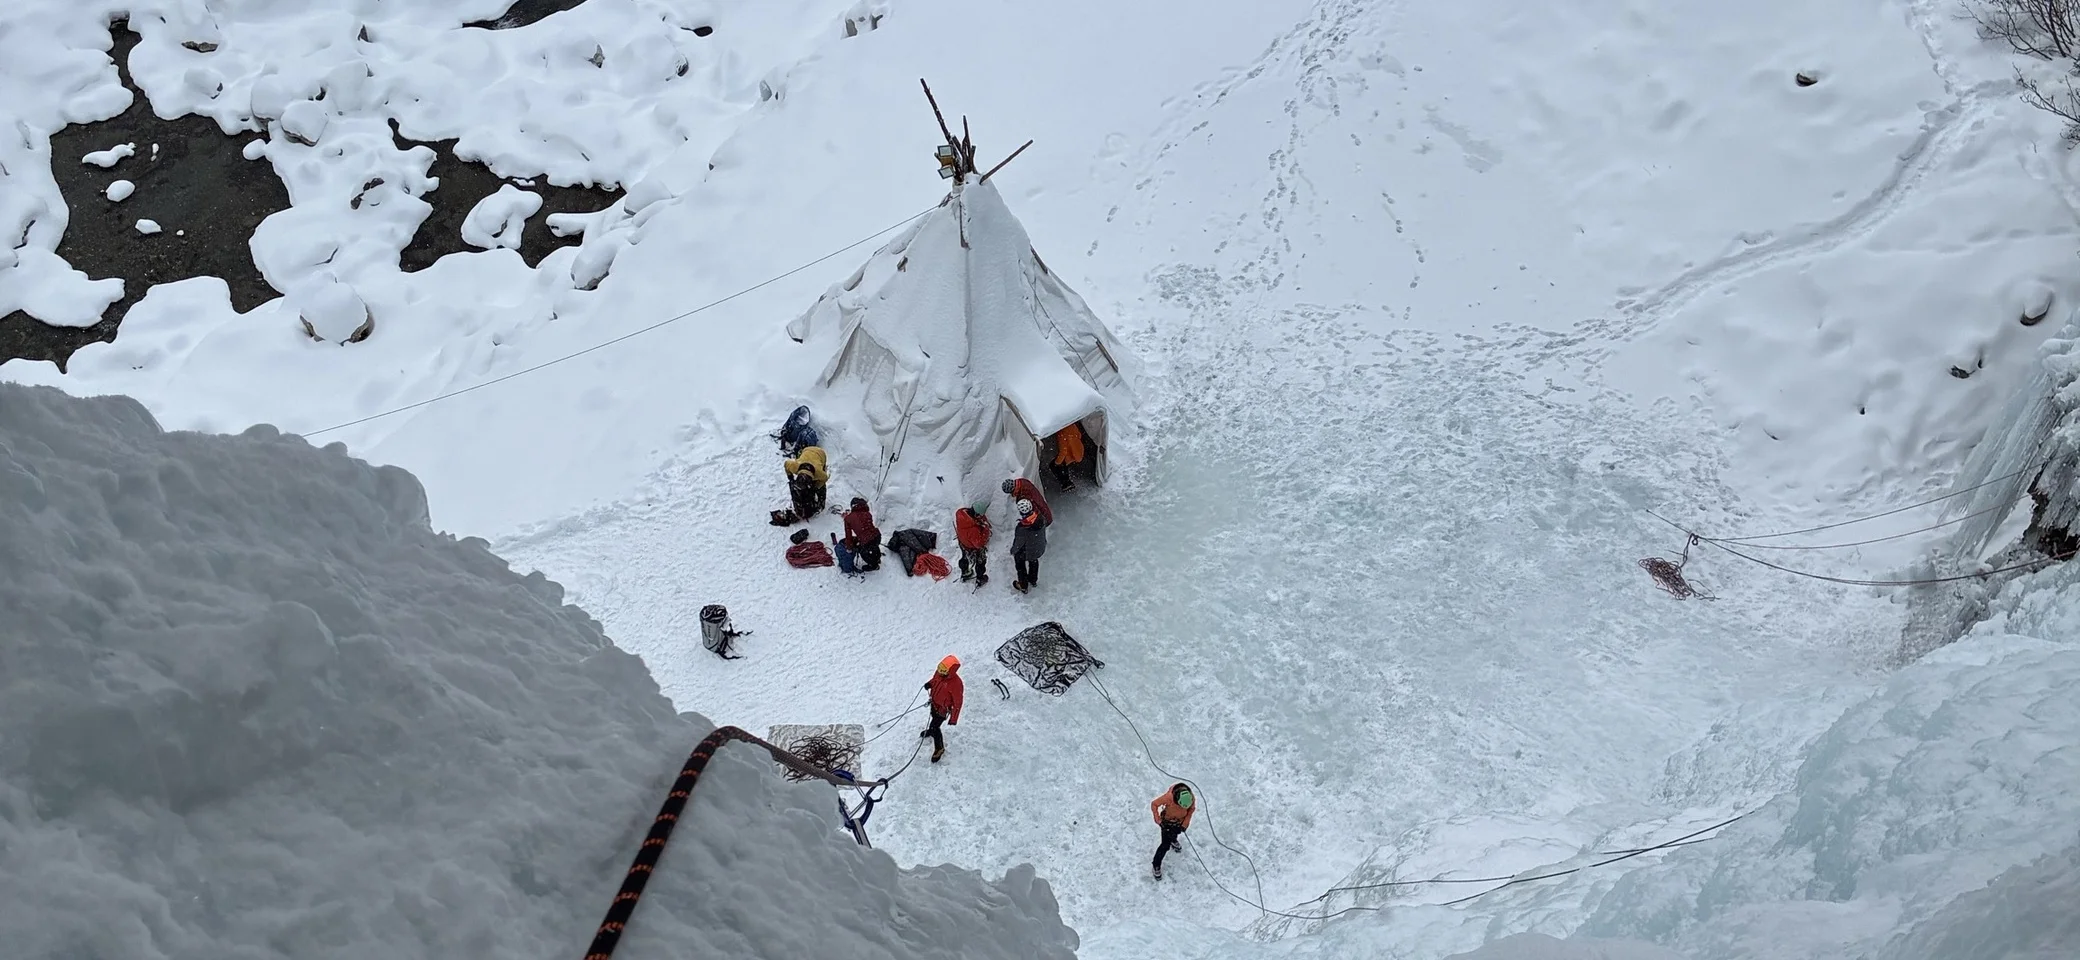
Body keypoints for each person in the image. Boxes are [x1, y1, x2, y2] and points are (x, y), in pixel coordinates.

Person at [918, 655, 964, 763]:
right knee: (933, 720)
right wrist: (930, 684)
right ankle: (931, 731)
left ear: (950, 671)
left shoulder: (956, 684)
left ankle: (939, 748)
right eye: (940, 668)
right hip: (934, 704)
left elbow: (958, 703)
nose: (939, 672)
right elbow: (935, 680)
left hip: (943, 710)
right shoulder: (940, 673)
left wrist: (953, 718)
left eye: (943, 670)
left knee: (935, 726)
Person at [1149, 782, 1197, 880]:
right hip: (1166, 822)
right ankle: (1156, 864)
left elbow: (1191, 810)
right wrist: (1158, 820)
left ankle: (1173, 840)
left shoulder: (1191, 798)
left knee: (1175, 833)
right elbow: (1154, 804)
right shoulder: (1169, 797)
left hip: (1179, 822)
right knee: (1165, 845)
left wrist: (1184, 824)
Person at [1010, 497, 1048, 593]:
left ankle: (1023, 585)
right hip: (1037, 548)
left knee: (1020, 565)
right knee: (1033, 562)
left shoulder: (1023, 528)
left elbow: (1018, 543)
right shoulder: (1040, 518)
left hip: (1028, 550)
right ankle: (1033, 580)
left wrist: (1013, 551)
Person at [784, 446, 828, 522]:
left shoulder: (819, 473)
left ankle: (821, 503)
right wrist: (790, 477)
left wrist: (816, 487)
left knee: (821, 487)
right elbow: (786, 464)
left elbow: (825, 479)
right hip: (806, 450)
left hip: (821, 454)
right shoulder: (794, 466)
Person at [955, 501, 992, 586]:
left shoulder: (960, 514)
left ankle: (965, 572)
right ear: (976, 514)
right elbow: (979, 544)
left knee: (964, 558)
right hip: (971, 546)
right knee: (981, 562)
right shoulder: (973, 530)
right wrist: (985, 530)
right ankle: (980, 578)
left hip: (963, 542)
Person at [842, 497, 882, 572]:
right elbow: (865, 526)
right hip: (877, 536)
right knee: (874, 546)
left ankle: (874, 565)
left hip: (866, 540)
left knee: (863, 552)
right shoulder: (867, 513)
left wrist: (849, 547)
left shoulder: (848, 518)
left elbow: (848, 536)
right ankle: (877, 558)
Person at [1049, 422, 1086, 490]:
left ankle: (1066, 483)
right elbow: (1079, 435)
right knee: (1063, 463)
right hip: (1078, 451)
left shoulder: (1062, 433)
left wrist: (1057, 462)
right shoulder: (1072, 426)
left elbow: (1063, 451)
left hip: (1071, 454)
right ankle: (1067, 481)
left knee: (1055, 465)